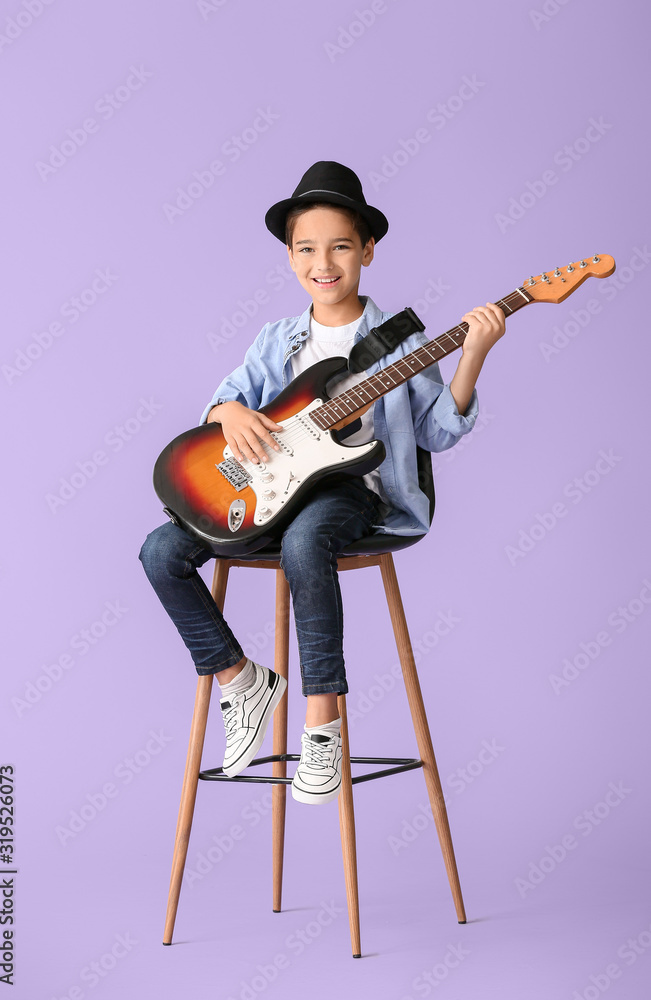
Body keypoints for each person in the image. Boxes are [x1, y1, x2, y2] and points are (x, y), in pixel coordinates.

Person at [139, 160, 505, 805]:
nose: (323, 261)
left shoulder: (400, 340)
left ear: (367, 250)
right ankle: (240, 678)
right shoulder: (276, 338)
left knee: (309, 543)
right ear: (289, 256)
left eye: (340, 245)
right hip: (266, 493)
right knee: (160, 552)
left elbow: (438, 431)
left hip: (349, 495)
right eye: (306, 248)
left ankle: (322, 725)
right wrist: (227, 413)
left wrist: (472, 352)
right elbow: (223, 403)